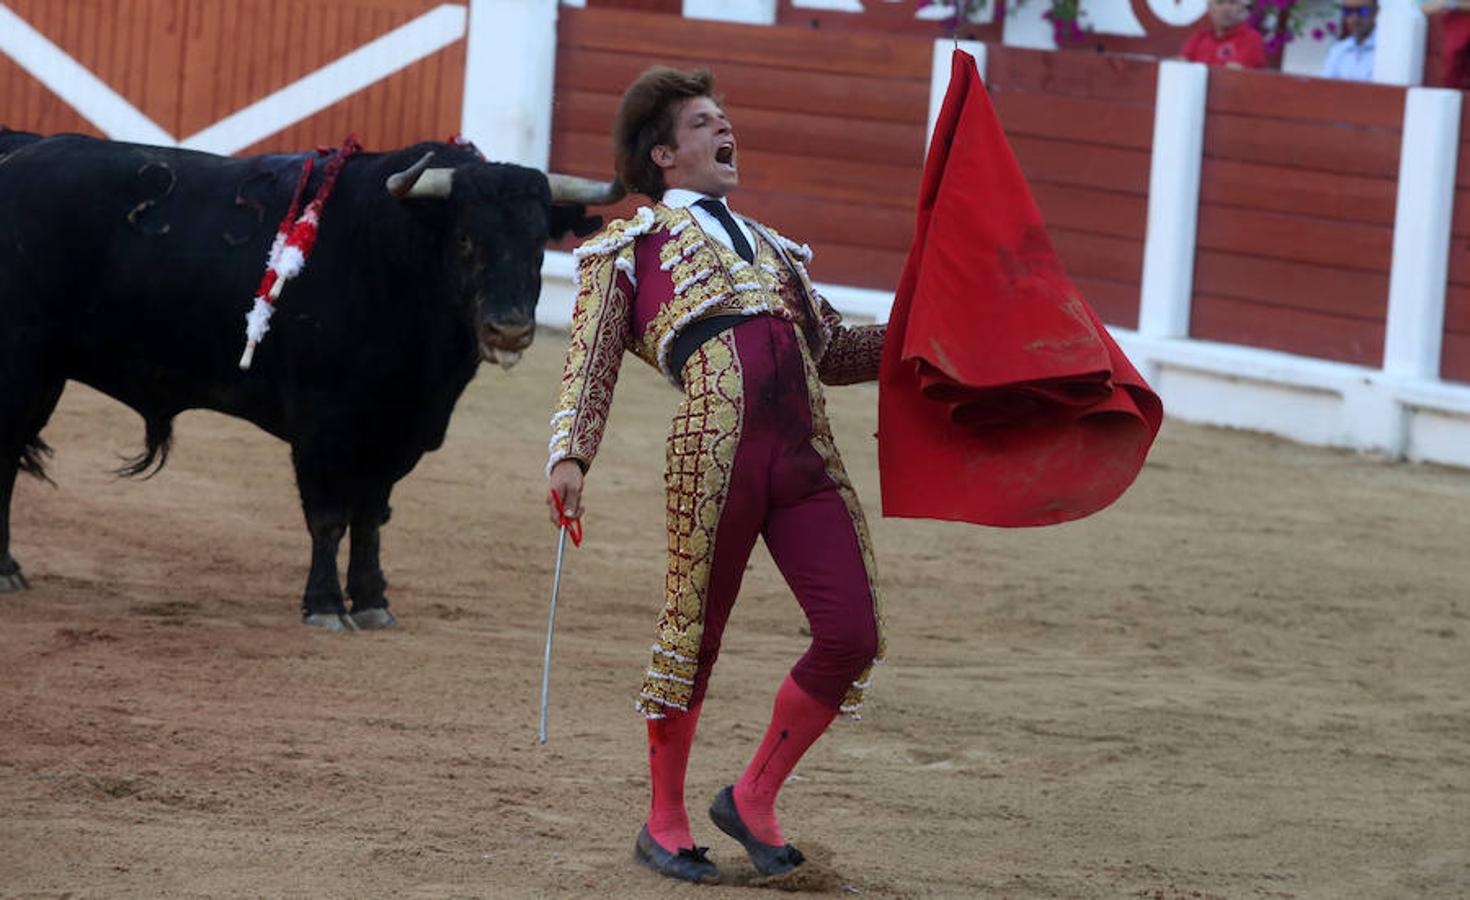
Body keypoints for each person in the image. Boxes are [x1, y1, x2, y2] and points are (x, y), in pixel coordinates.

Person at [544, 66, 887, 885]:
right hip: (715, 448)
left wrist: (915, 325)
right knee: (691, 634)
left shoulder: (776, 249)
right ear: (663, 153)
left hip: (808, 455)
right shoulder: (632, 246)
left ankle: (753, 797)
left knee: (854, 634)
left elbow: (833, 352)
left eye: (723, 119)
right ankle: (664, 820)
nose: (725, 130)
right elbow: (589, 361)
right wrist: (569, 453)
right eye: (705, 123)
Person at [1180, 0, 1269, 68]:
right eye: (1220, 2)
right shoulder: (1200, 38)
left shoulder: (1251, 39)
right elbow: (1180, 65)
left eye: (1232, 2)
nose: (1226, 8)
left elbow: (1232, 74)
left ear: (1242, 8)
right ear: (1209, 8)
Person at [1322, 0, 1379, 80]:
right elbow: (1326, 87)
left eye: (1362, 11)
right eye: (1348, 11)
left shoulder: (1387, 51)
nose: (1355, 18)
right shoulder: (1338, 50)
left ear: (1376, 11)